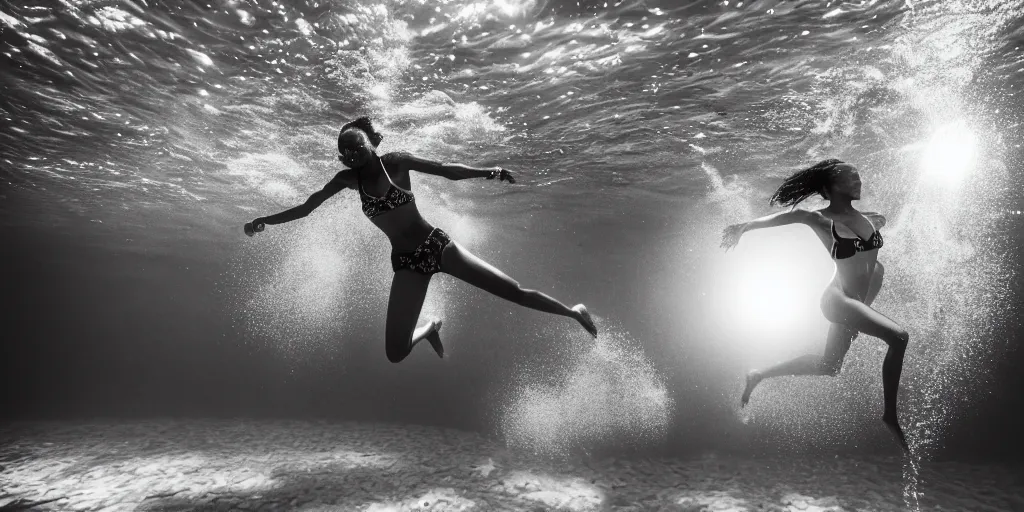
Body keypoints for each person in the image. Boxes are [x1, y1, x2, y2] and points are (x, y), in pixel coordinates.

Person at [244, 117, 598, 363]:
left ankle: (572, 312)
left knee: (513, 292)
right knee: (395, 352)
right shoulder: (346, 180)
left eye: (358, 147)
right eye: (345, 152)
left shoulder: (396, 163)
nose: (352, 155)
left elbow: (446, 170)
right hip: (407, 263)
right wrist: (265, 220)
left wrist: (490, 171)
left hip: (437, 247)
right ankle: (429, 328)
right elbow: (307, 208)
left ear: (371, 143)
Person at [720, 159, 910, 452]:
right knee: (898, 337)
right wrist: (743, 227)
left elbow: (871, 263)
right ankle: (889, 416)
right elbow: (784, 218)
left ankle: (758, 374)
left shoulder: (871, 218)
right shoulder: (818, 219)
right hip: (837, 301)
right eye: (850, 178)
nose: (857, 181)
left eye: (858, 176)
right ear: (828, 187)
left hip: (855, 301)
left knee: (829, 366)